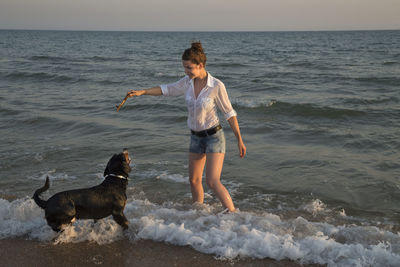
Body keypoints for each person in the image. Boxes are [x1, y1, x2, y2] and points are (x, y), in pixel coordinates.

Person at [125, 42, 246, 212]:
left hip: (214, 137)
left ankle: (233, 214)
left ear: (200, 65)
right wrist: (143, 92)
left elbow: (229, 113)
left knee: (212, 181)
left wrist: (239, 139)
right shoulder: (187, 82)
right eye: (184, 68)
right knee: (194, 180)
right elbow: (167, 89)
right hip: (195, 137)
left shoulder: (216, 86)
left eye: (189, 68)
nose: (186, 72)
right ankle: (197, 215)